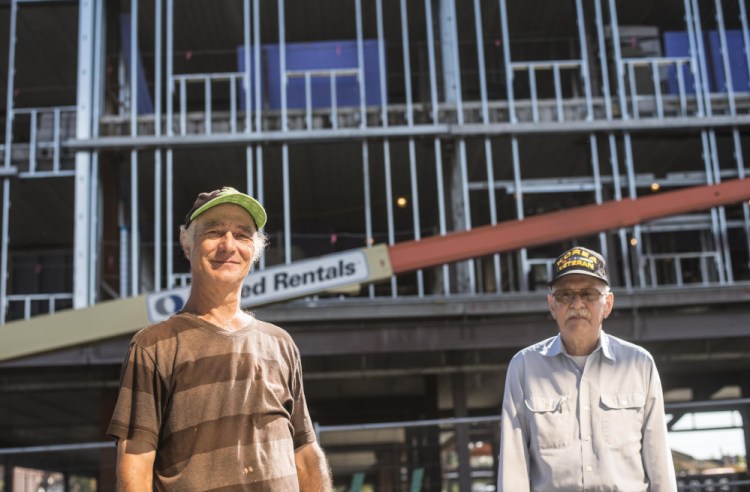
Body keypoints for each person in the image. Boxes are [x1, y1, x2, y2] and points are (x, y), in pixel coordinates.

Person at [108, 187, 332, 491]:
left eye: (242, 235)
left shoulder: (281, 344)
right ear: (187, 243)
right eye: (214, 232)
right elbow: (135, 463)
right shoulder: (154, 346)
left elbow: (305, 453)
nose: (229, 245)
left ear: (255, 250)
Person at [498, 246, 676, 492]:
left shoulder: (639, 364)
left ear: (607, 304)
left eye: (589, 294)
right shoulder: (524, 367)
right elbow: (513, 466)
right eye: (564, 295)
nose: (576, 303)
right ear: (552, 305)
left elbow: (659, 463)